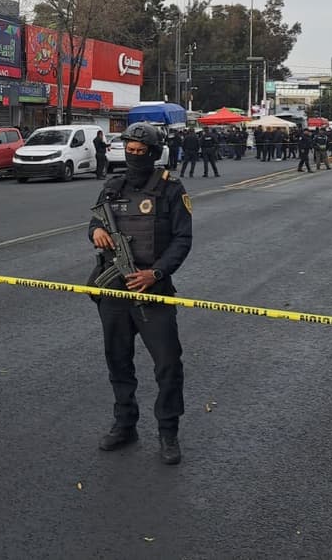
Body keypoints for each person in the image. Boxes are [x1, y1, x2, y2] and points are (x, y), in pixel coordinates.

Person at [88, 122, 193, 465]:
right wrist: (98, 232)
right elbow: (94, 221)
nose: (134, 157)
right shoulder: (112, 185)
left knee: (167, 364)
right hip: (114, 290)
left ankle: (168, 432)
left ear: (154, 153)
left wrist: (157, 272)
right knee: (118, 359)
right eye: (129, 151)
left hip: (153, 289)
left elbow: (182, 239)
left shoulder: (171, 189)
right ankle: (125, 423)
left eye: (140, 152)